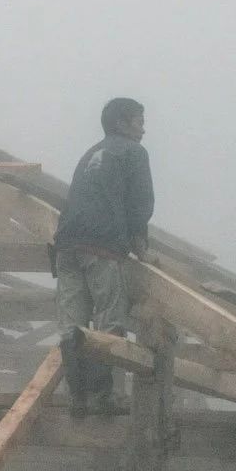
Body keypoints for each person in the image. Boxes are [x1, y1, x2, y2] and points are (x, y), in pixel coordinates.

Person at [53, 97, 153, 416]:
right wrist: (141, 247)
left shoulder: (90, 154)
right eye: (139, 121)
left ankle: (77, 398)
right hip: (102, 245)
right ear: (122, 124)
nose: (143, 129)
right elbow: (140, 203)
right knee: (110, 322)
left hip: (67, 245)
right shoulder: (134, 153)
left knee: (72, 326)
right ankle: (102, 396)